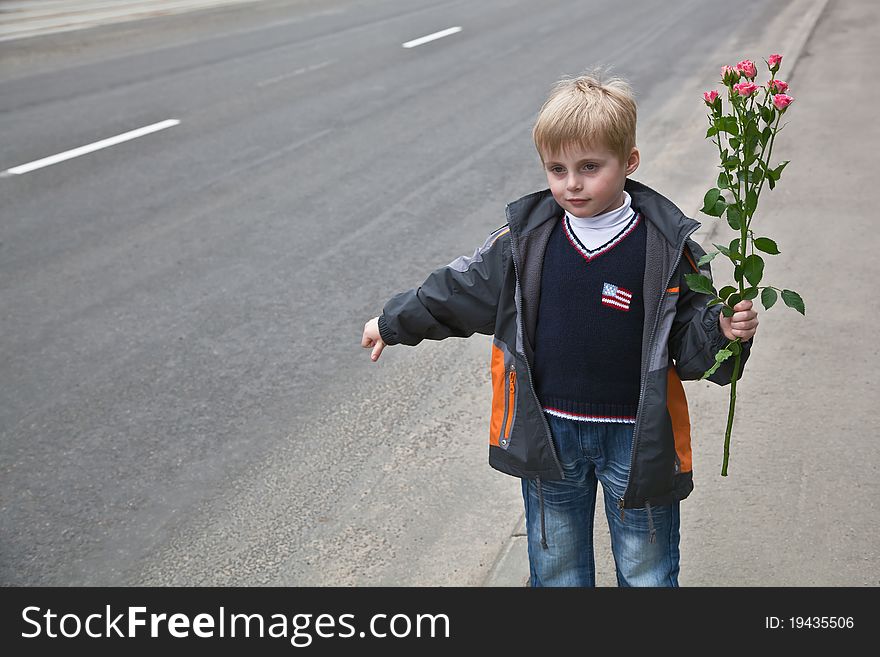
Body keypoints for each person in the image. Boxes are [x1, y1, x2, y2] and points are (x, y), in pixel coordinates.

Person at [360, 72, 759, 587]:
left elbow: (690, 345)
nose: (572, 183)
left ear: (629, 162)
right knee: (557, 571)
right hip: (550, 436)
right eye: (557, 168)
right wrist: (393, 322)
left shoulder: (666, 248)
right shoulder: (525, 241)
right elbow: (458, 291)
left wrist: (724, 330)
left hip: (638, 439)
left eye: (590, 167)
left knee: (647, 571)